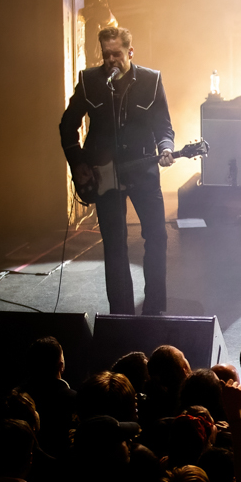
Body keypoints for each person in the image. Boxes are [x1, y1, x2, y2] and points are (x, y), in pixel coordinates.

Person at [59, 26, 174, 315]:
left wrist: (166, 147)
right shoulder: (90, 81)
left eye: (117, 54)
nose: (111, 60)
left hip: (143, 172)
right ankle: (120, 313)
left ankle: (154, 309)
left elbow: (163, 126)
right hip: (103, 174)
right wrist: (79, 163)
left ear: (130, 52)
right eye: (106, 54)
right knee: (114, 244)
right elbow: (67, 125)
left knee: (157, 237)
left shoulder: (151, 80)